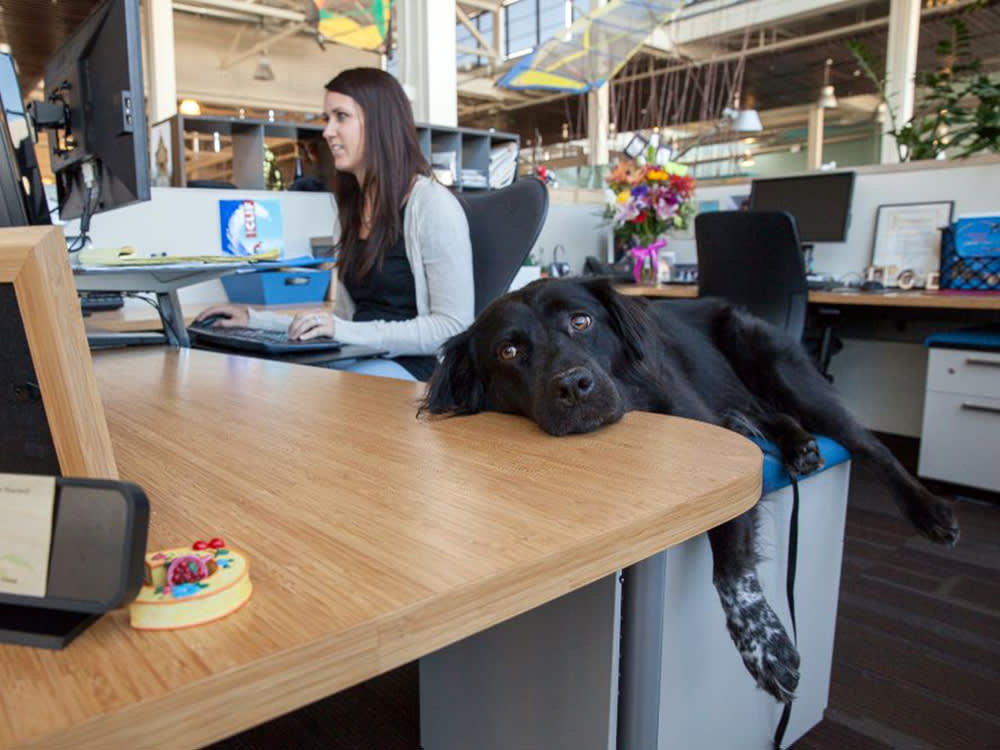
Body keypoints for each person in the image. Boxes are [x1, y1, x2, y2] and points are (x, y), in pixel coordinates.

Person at [194, 67, 474, 381]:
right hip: (364, 358)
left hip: (417, 370)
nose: (327, 132)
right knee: (259, 374)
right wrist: (254, 320)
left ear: (380, 123)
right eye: (327, 119)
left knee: (310, 392)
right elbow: (340, 323)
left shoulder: (432, 205)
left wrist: (348, 332)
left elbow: (453, 327)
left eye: (341, 117)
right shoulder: (351, 213)